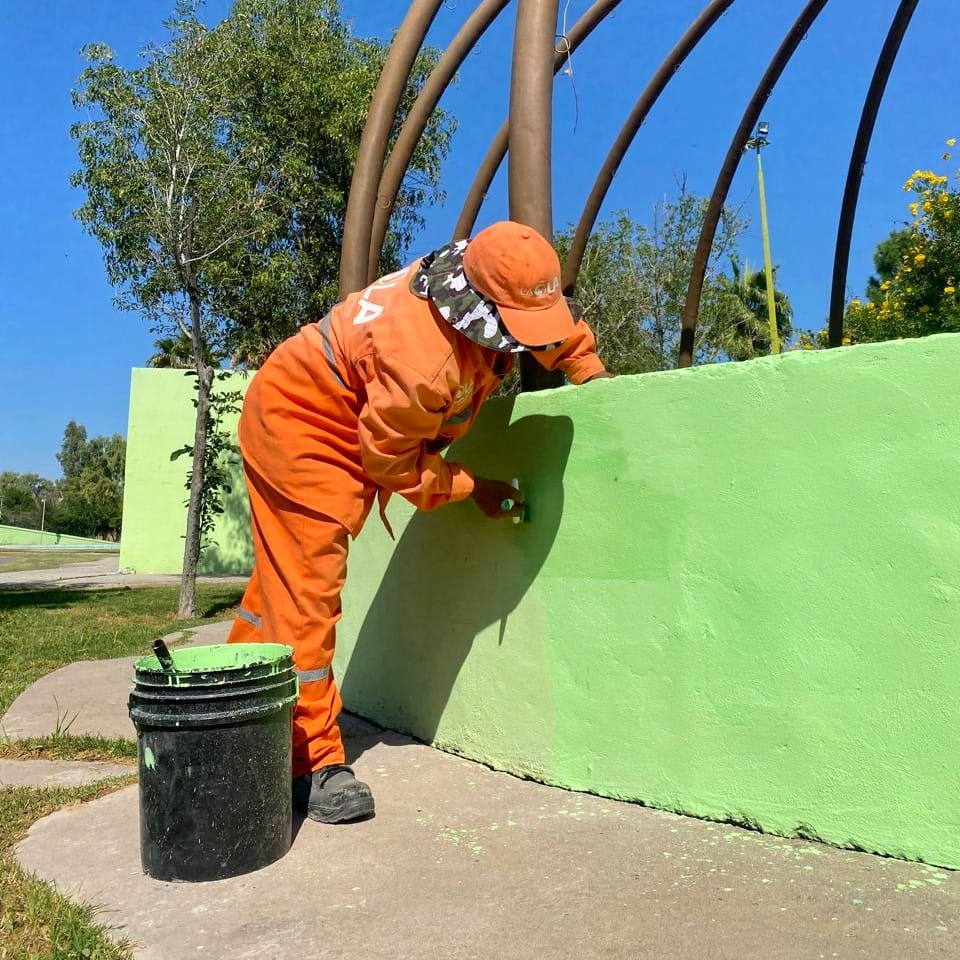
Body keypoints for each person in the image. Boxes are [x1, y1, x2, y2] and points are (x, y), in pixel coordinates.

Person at [228, 220, 612, 823]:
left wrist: (591, 375)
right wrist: (471, 486)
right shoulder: (424, 364)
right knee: (308, 595)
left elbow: (548, 329)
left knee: (279, 592)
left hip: (340, 408)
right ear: (481, 304)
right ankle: (313, 762)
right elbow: (390, 460)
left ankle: (238, 701)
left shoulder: (484, 279)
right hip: (303, 425)